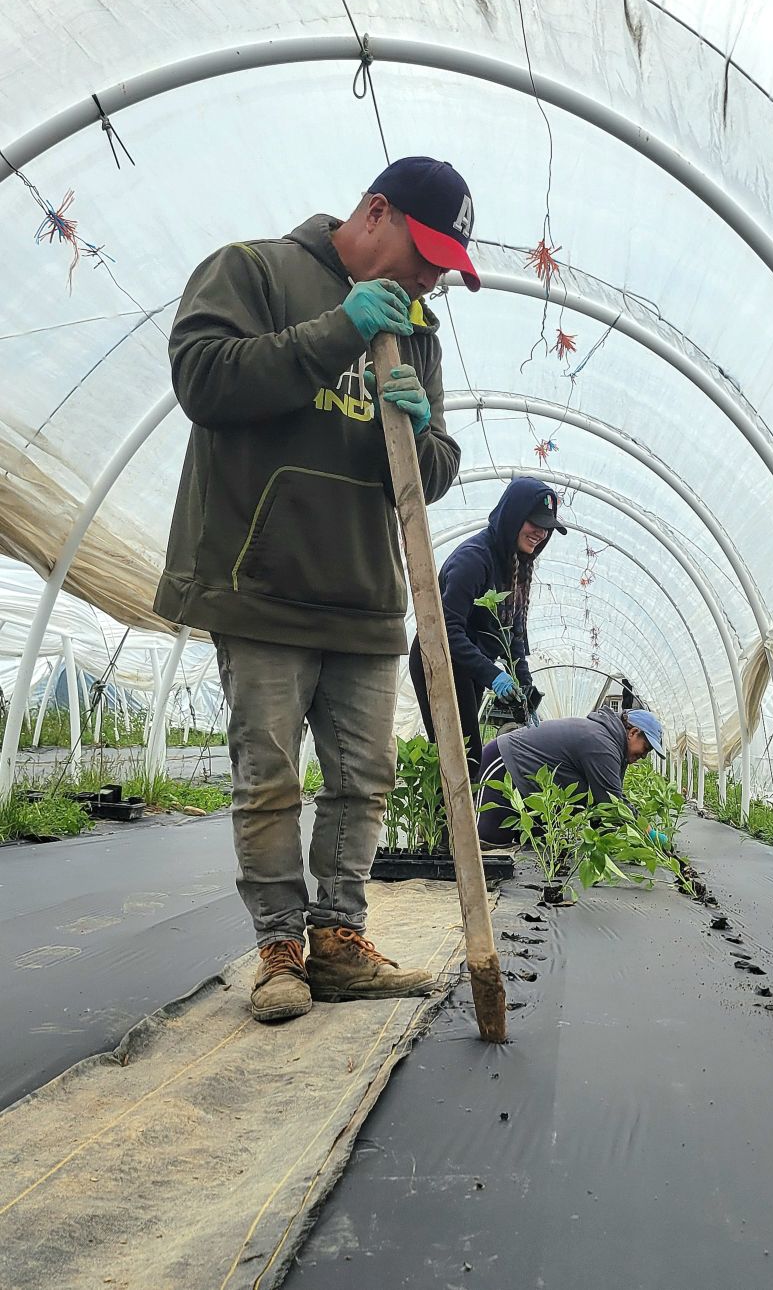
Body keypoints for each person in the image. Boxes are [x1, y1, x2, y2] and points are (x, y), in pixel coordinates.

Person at [154, 156, 479, 1024]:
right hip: (261, 583)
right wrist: (335, 333)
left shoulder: (416, 331)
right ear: (375, 211)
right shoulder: (254, 271)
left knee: (363, 780)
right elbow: (205, 381)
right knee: (268, 779)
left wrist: (405, 424)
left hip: (367, 595)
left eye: (447, 266)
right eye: (427, 253)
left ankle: (338, 942)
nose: (432, 277)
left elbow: (435, 470)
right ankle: (279, 952)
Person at [408, 477, 566, 773]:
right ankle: (446, 820)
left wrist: (525, 683)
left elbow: (513, 634)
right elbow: (446, 633)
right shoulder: (473, 560)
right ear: (514, 516)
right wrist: (494, 675)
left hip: (469, 667)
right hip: (440, 661)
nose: (541, 533)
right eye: (535, 523)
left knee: (466, 758)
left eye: (547, 527)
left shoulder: (517, 565)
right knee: (460, 756)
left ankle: (460, 819)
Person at [474, 707, 666, 846]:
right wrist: (648, 833)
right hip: (504, 763)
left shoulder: (613, 744)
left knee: (536, 846)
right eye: (646, 748)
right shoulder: (601, 743)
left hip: (532, 787)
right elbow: (612, 801)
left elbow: (602, 806)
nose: (644, 755)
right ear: (633, 732)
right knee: (487, 844)